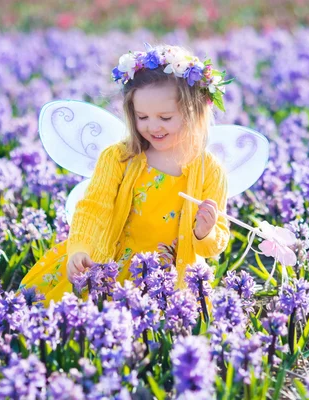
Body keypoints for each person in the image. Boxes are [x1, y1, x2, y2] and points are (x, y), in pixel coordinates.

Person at [19, 44, 231, 304]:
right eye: (142, 117)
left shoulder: (210, 171)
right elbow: (94, 207)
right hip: (109, 263)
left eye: (165, 118)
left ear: (195, 112)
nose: (153, 127)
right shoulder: (119, 158)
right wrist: (81, 247)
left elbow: (214, 244)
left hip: (167, 279)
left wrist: (204, 231)